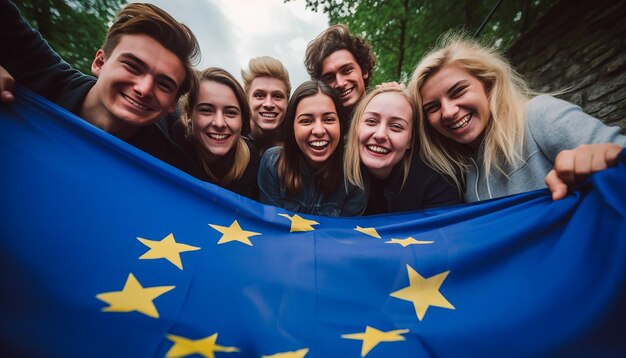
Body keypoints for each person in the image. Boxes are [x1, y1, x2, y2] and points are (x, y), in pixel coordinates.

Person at [407, 34, 626, 202]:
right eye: (433, 107)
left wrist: (604, 159)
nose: (448, 111)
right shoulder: (464, 172)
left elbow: (617, 153)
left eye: (458, 92)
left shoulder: (538, 116)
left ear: (488, 85)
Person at [0, 1, 200, 174]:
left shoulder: (179, 156)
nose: (144, 88)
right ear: (100, 63)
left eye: (164, 84)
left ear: (173, 102)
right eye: (132, 66)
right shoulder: (34, 68)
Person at [344, 87, 461, 214]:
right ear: (356, 128)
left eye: (396, 126)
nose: (380, 134)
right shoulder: (335, 174)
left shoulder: (436, 182)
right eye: (371, 121)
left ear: (410, 140)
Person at [258, 80, 367, 216]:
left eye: (328, 119)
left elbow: (345, 235)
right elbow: (273, 227)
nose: (319, 130)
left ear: (340, 124)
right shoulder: (272, 163)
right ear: (292, 127)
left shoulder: (355, 177)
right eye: (306, 121)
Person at [158, 68, 260, 200]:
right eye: (206, 110)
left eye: (231, 112)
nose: (219, 123)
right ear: (188, 114)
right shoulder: (166, 144)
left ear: (242, 119)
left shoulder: (250, 160)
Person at [304, 24, 376, 113]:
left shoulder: (391, 110)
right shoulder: (320, 125)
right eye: (329, 78)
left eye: (346, 71)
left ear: (364, 70)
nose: (340, 83)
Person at [241, 56, 291, 154]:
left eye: (277, 96)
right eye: (259, 95)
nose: (268, 104)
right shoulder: (230, 141)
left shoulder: (297, 146)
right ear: (247, 100)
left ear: (287, 101)